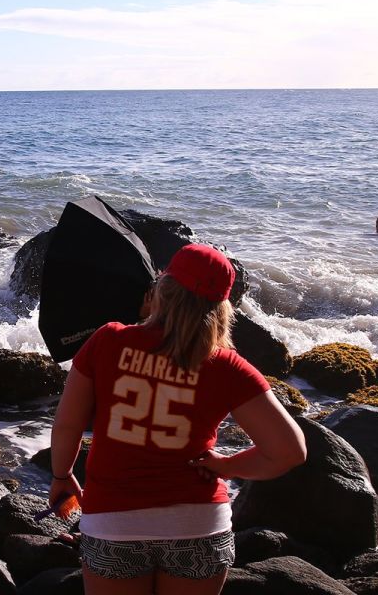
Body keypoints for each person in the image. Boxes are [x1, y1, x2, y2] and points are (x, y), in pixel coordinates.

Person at [49, 243, 307, 595]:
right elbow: (289, 451)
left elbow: (67, 424)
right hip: (198, 525)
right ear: (222, 309)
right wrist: (226, 467)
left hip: (114, 522)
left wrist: (62, 475)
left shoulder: (108, 341)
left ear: (162, 290)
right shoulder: (228, 367)